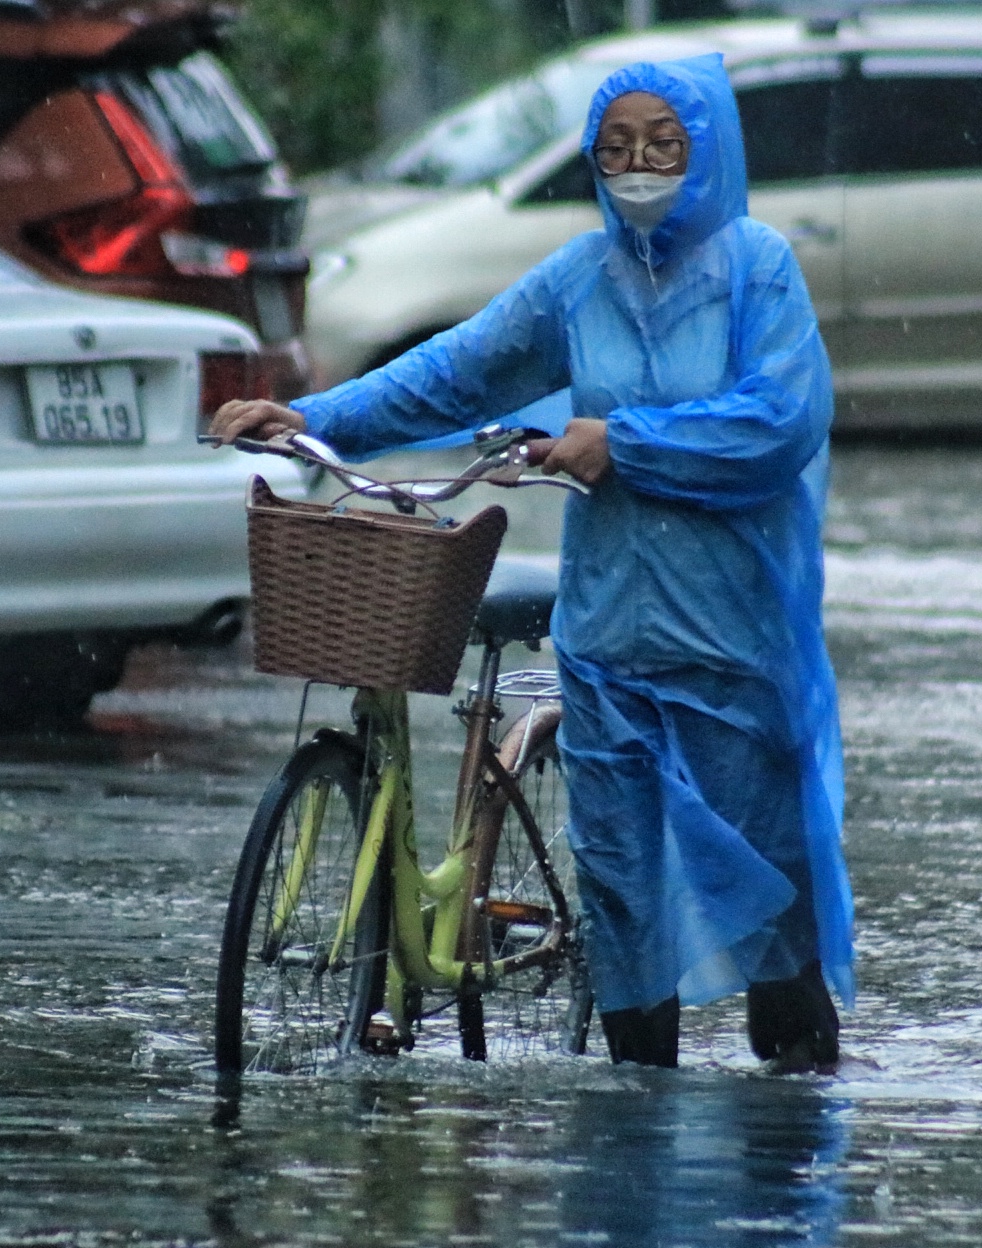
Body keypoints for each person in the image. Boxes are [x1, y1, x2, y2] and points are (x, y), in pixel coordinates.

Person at [210, 54, 852, 1072]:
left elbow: (780, 422)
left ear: (706, 153)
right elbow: (454, 373)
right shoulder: (577, 280)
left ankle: (789, 1130)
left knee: (764, 888)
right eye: (615, 147)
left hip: (733, 640)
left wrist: (623, 442)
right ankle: (634, 1141)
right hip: (605, 641)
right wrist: (313, 417)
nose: (637, 164)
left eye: (662, 145)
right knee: (623, 895)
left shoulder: (756, 268)